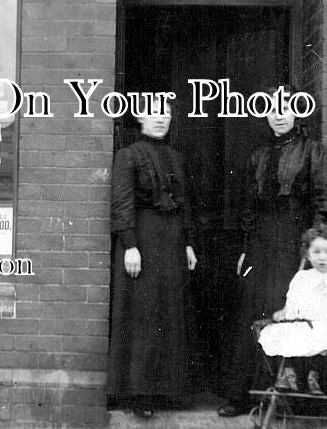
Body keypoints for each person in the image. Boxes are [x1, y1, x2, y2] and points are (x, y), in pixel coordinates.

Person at [218, 84, 327, 417]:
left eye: (286, 108)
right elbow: (249, 206)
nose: (279, 115)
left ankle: (289, 399)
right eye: (272, 109)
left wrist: (312, 251)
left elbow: (324, 204)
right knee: (253, 311)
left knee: (289, 310)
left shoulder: (312, 151)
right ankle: (246, 395)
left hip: (295, 242)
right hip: (261, 242)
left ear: (297, 112)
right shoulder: (258, 155)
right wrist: (246, 247)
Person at [108, 97, 198, 419]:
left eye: (167, 114)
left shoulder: (175, 157)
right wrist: (130, 244)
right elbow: (122, 203)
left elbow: (184, 203)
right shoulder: (128, 156)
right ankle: (139, 393)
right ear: (140, 118)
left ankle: (168, 391)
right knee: (143, 313)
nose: (161, 119)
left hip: (172, 241)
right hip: (143, 239)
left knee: (169, 312)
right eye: (154, 113)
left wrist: (187, 244)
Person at [257, 225, 327, 398]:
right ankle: (289, 376)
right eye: (317, 252)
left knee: (321, 337)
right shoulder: (302, 277)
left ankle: (314, 377)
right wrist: (285, 312)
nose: (322, 257)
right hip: (304, 324)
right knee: (284, 333)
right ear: (308, 254)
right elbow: (294, 302)